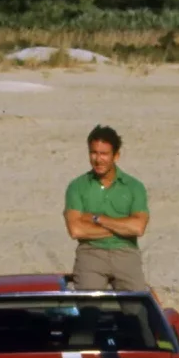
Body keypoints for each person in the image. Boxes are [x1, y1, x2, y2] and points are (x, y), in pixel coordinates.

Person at [64, 125, 150, 291]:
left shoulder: (134, 186)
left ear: (116, 155)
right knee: (89, 309)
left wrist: (98, 219)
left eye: (104, 154)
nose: (98, 159)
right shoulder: (77, 186)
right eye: (93, 153)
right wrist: (122, 227)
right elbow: (76, 230)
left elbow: (138, 228)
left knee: (136, 310)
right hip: (90, 252)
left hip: (126, 252)